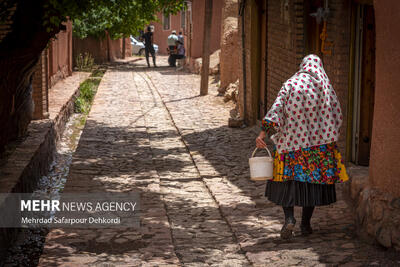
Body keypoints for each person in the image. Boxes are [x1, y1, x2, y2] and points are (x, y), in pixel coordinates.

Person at [255, 54, 349, 240]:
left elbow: (276, 111)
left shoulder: (291, 84)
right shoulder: (325, 86)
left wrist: (262, 134)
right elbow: (337, 115)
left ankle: (289, 218)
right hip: (317, 148)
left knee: (285, 184)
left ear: (303, 66)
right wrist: (327, 135)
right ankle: (306, 225)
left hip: (290, 146)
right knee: (311, 185)